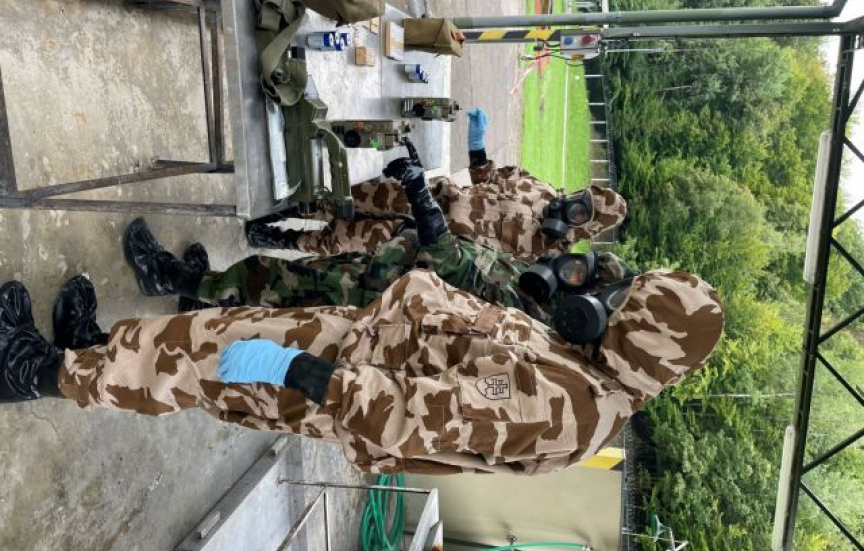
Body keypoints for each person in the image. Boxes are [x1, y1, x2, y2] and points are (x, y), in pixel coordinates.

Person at [0, 260, 723, 475]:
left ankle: (34, 373)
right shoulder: (586, 366)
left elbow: (419, 418)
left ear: (645, 339)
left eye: (625, 306)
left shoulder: (574, 405)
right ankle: (91, 354)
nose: (604, 301)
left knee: (193, 363)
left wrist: (300, 372)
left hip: (326, 377)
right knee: (198, 339)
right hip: (347, 347)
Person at [122, 152, 635, 334]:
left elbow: (456, 265)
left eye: (579, 277)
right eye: (580, 265)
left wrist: (422, 203)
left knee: (268, 283)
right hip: (391, 265)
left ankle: (168, 278)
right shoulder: (536, 276)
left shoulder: (529, 307)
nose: (569, 269)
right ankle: (200, 291)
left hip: (378, 293)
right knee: (274, 285)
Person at [245, 109, 627, 260]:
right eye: (581, 199)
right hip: (428, 194)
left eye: (581, 214)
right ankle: (283, 210)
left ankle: (279, 239)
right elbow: (487, 177)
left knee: (344, 239)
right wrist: (477, 146)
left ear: (586, 228)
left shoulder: (550, 255)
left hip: (426, 238)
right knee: (352, 199)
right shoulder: (540, 189)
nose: (572, 207)